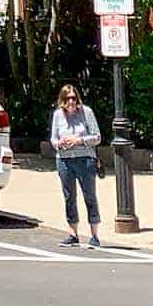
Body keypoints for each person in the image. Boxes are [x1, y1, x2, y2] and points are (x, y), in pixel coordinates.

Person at [49, 82, 103, 247]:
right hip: (64, 160)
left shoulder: (86, 112)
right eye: (67, 99)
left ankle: (94, 234)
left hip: (85, 159)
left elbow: (97, 137)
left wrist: (78, 140)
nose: (71, 102)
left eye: (73, 98)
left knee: (89, 195)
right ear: (62, 100)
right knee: (69, 196)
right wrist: (60, 143)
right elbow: (53, 138)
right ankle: (73, 233)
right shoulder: (58, 115)